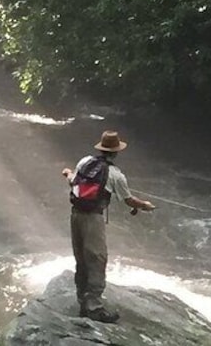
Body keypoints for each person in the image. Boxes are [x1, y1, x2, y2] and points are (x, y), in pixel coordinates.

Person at [61, 130, 155, 323]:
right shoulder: (116, 175)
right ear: (116, 152)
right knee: (97, 259)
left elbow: (74, 182)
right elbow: (129, 200)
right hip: (93, 220)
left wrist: (68, 173)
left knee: (82, 259)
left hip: (76, 216)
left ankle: (83, 302)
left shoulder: (85, 162)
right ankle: (94, 308)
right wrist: (144, 206)